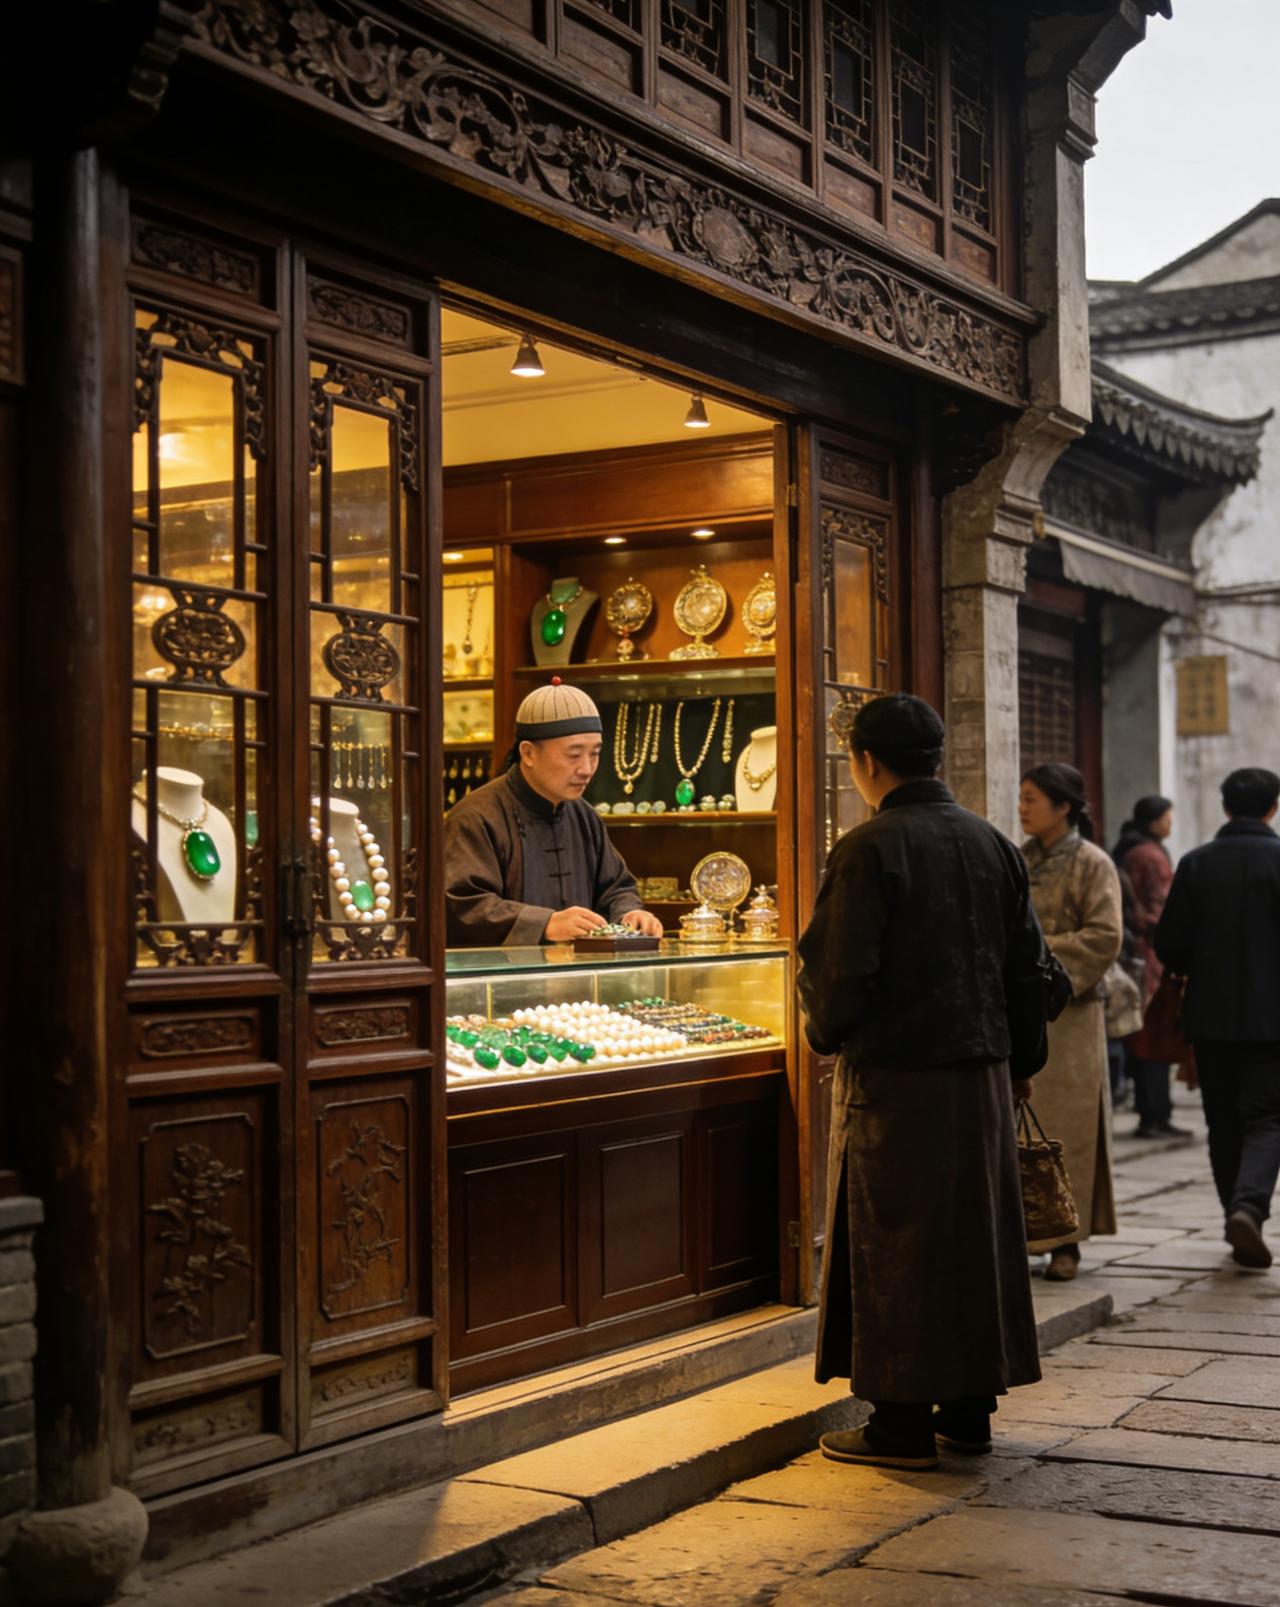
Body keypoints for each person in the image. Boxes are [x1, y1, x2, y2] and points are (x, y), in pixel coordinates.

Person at [797, 693, 1055, 1472]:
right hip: (981, 1078)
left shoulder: (870, 847)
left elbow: (839, 973)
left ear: (868, 763)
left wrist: (825, 1032)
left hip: (899, 1085)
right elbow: (1031, 970)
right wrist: (1021, 1064)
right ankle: (968, 1412)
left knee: (898, 1244)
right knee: (970, 1242)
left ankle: (900, 1423)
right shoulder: (994, 843)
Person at [1155, 767, 1280, 1269]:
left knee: (1222, 1119)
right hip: (1274, 1021)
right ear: (1273, 807)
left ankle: (1235, 1212)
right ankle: (1248, 1207)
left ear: (1226, 807)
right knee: (1268, 1117)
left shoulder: (1196, 863)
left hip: (1209, 1018)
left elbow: (1170, 945)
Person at [444, 679, 664, 946]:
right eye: (573, 755)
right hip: (500, 982)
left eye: (594, 754)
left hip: (576, 980)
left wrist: (630, 912)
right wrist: (544, 924)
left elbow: (615, 887)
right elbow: (463, 906)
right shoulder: (475, 817)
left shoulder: (584, 816)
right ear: (528, 753)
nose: (587, 768)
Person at [1019, 764, 1123, 1282]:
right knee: (1017, 1132)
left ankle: (1067, 1243)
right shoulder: (1016, 859)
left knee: (1070, 1134)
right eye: (1021, 798)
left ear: (1064, 806)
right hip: (1022, 1015)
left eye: (1032, 798)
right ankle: (1021, 1234)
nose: (1022, 808)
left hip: (1074, 1018)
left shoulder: (1092, 862)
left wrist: (1038, 959)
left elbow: (1105, 937)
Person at [1113, 795, 1188, 1138]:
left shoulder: (1134, 850)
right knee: (1153, 1034)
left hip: (1138, 953)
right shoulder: (1149, 855)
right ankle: (1154, 1113)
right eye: (1167, 818)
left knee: (1147, 1036)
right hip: (1150, 956)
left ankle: (1155, 1112)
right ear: (1154, 820)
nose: (1171, 823)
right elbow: (1163, 909)